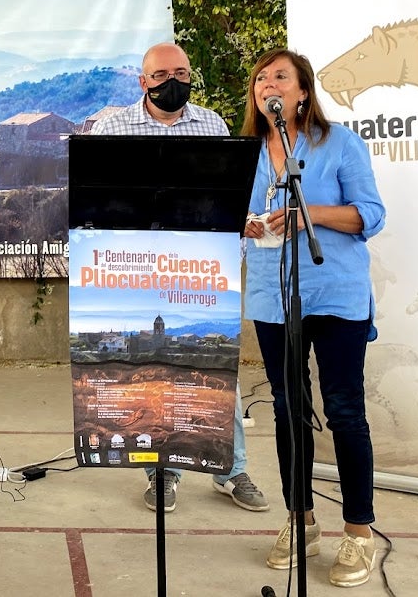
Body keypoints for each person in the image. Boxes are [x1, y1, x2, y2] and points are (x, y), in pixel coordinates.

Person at [92, 41, 269, 515]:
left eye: (181, 72)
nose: (173, 81)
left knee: (212, 371)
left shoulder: (213, 125)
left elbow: (227, 198)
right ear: (143, 81)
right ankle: (162, 470)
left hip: (201, 268)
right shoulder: (112, 127)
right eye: (161, 74)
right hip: (140, 269)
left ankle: (230, 470)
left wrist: (234, 246)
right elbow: (99, 202)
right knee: (156, 376)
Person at [240, 49, 385, 588]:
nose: (267, 83)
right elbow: (236, 213)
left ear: (302, 92)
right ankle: (300, 520)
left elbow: (370, 214)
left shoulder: (340, 143)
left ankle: (359, 533)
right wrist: (249, 226)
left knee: (345, 409)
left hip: (337, 293)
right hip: (272, 296)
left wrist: (312, 215)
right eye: (260, 78)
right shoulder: (247, 153)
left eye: (279, 76)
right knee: (286, 407)